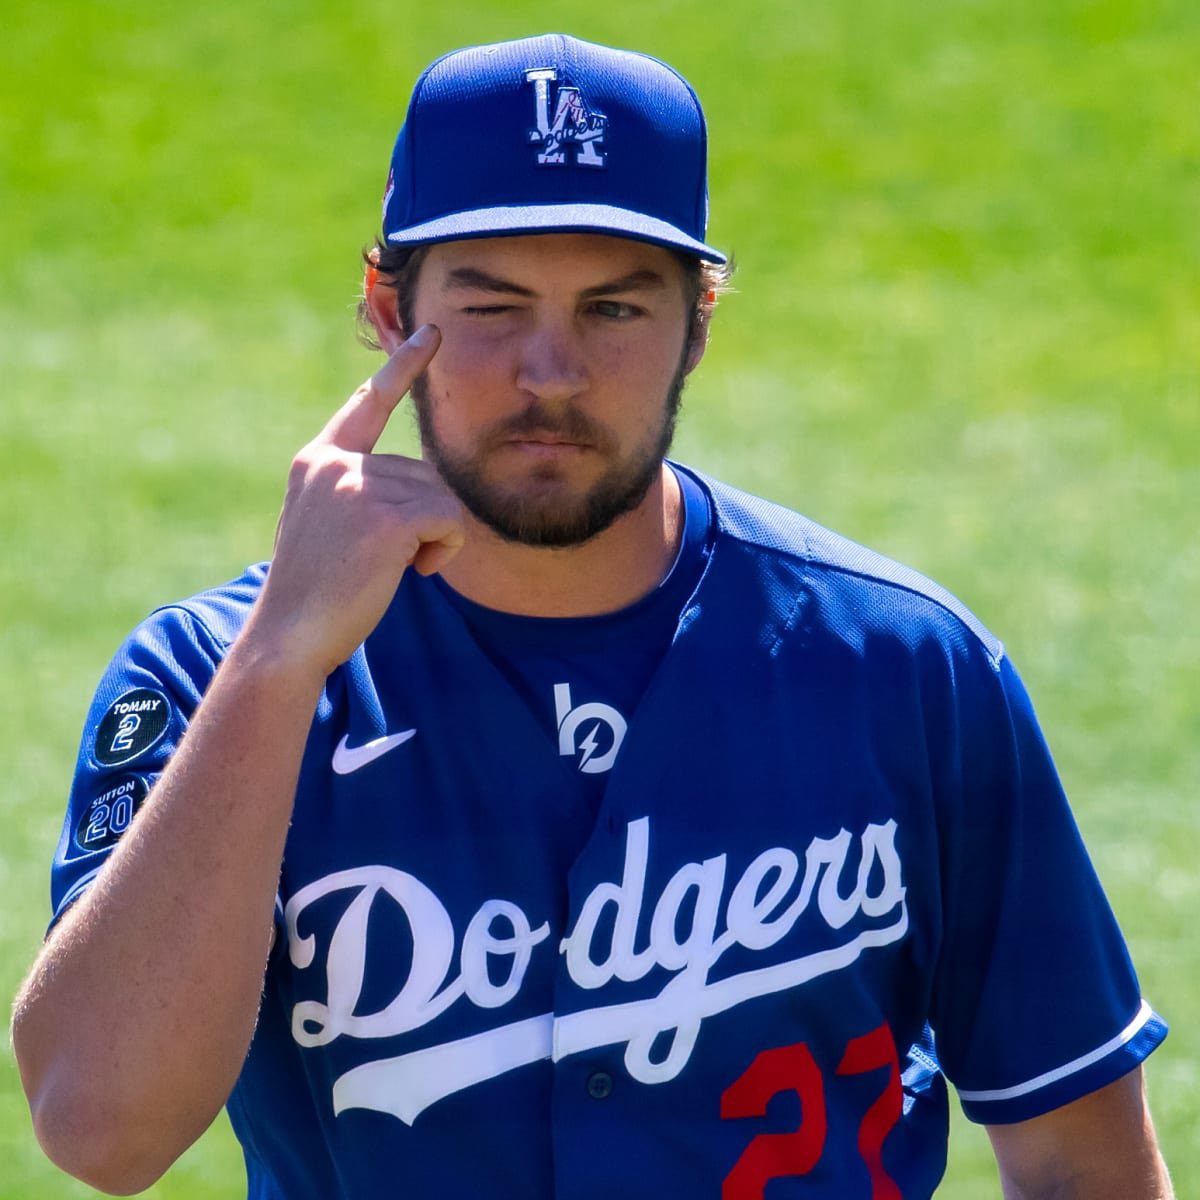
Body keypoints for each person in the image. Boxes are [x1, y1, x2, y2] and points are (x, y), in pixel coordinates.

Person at [12, 32, 1173, 1200]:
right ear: (388, 308)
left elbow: (1084, 1165)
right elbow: (100, 1133)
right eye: (491, 306)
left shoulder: (907, 669)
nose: (551, 371)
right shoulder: (209, 673)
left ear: (699, 321)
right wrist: (278, 662)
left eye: (614, 309)